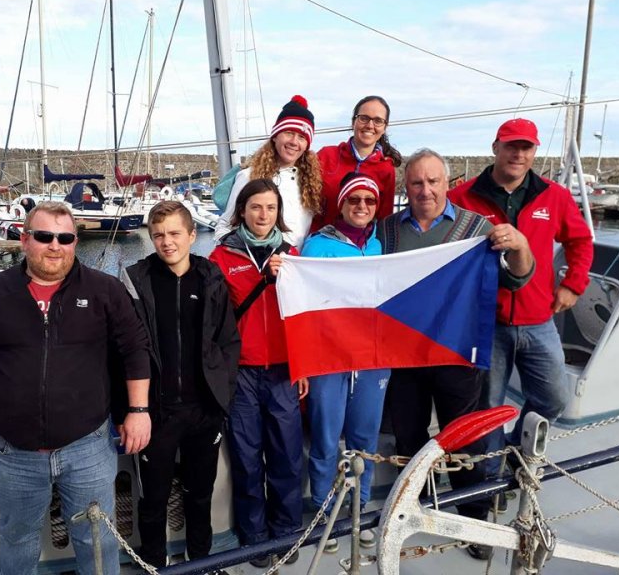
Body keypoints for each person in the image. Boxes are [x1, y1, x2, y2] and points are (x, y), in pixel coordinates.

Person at [0, 201, 152, 575]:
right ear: (24, 240)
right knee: (17, 541)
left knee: (96, 540)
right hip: (15, 452)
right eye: (44, 236)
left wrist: (138, 411)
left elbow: (135, 350)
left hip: (87, 447)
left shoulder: (105, 291)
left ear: (74, 243)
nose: (55, 245)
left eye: (65, 237)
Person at [378, 148, 534, 561]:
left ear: (447, 183)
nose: (425, 190)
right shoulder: (388, 231)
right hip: (406, 358)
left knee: (464, 441)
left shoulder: (477, 228)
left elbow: (517, 278)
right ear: (405, 187)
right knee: (408, 439)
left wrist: (518, 243)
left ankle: (473, 519)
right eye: (416, 183)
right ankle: (414, 511)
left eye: (433, 181)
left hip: (457, 355)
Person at [448, 119, 594, 491]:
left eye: (526, 147)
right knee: (488, 412)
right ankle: (490, 486)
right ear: (495, 147)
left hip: (538, 319)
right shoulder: (463, 197)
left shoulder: (554, 196)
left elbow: (580, 241)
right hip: (486, 324)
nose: (518, 154)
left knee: (555, 397)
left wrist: (572, 286)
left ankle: (514, 451)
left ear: (534, 152)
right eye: (511, 146)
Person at [120, 201, 241, 571]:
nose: (166, 242)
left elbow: (228, 341)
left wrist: (222, 394)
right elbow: (123, 348)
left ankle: (199, 562)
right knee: (153, 500)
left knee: (199, 495)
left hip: (204, 411)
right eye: (158, 235)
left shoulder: (212, 279)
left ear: (191, 235)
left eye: (174, 234)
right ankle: (154, 565)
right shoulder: (135, 281)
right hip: (155, 413)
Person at [209, 178, 309, 568]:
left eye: (270, 208)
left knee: (286, 457)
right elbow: (214, 322)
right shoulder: (221, 257)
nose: (263, 215)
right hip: (243, 374)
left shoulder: (293, 254)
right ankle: (254, 538)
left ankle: (285, 532)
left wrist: (303, 365)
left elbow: (303, 317)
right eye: (255, 207)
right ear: (242, 212)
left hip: (284, 370)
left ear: (278, 213)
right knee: (248, 459)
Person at [301, 172, 390, 552]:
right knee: (325, 438)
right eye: (355, 200)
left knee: (364, 439)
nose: (362, 207)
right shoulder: (317, 247)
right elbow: (303, 303)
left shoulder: (379, 247)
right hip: (329, 358)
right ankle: (325, 511)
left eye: (369, 202)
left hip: (371, 358)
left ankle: (360, 507)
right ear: (342, 204)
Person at [214, 94, 323, 249]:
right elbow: (225, 225)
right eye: (289, 133)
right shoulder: (249, 176)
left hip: (294, 266)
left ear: (307, 145)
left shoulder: (310, 183)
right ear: (275, 136)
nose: (294, 142)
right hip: (258, 265)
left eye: (301, 137)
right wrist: (236, 258)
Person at [313, 95, 402, 230]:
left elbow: (384, 219)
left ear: (384, 127)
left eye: (378, 120)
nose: (370, 125)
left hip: (359, 247)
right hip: (318, 244)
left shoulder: (386, 168)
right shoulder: (326, 156)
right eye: (364, 118)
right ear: (353, 121)